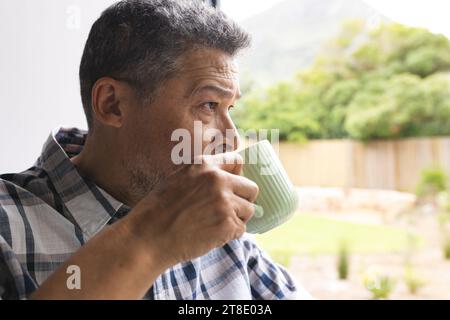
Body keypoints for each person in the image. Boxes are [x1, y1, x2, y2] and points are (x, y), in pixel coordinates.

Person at [0, 0, 310, 300]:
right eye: (209, 105)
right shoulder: (7, 227)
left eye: (230, 108)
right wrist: (152, 234)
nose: (231, 139)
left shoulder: (222, 233)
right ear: (112, 104)